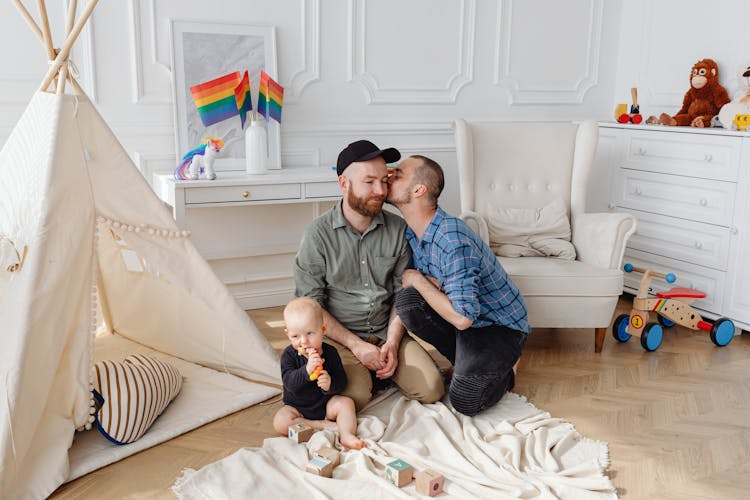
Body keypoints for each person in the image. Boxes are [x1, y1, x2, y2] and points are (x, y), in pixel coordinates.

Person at [293, 140, 444, 410]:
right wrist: (356, 346)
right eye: (369, 182)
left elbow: (402, 293)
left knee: (432, 389)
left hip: (386, 332)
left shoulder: (399, 228)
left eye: (384, 181)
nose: (380, 191)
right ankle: (368, 373)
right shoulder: (317, 234)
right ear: (344, 184)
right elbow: (311, 305)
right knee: (354, 398)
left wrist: (393, 343)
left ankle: (381, 368)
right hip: (339, 337)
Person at [386, 155, 531, 417]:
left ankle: (504, 373)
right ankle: (467, 361)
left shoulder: (452, 238)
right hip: (463, 315)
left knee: (465, 400)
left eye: (397, 174)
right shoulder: (411, 232)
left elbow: (463, 318)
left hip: (497, 327)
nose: (389, 176)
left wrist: (419, 280)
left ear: (419, 190)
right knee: (409, 302)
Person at [272, 297, 366, 449]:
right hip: (298, 409)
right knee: (280, 421)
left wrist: (330, 384)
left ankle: (347, 435)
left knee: (346, 403)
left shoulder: (330, 353)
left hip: (325, 405)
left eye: (310, 333)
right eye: (295, 336)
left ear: (323, 330)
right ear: (287, 334)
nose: (303, 341)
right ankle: (318, 425)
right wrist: (307, 370)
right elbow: (289, 384)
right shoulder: (288, 355)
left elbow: (341, 381)